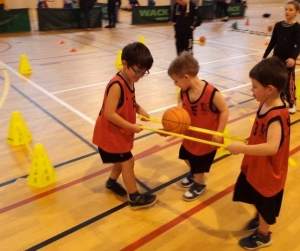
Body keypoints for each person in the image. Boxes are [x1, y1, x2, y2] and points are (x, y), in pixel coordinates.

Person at [226, 57, 290, 250]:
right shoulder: (265, 103)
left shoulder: (276, 115)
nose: (251, 90)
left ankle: (264, 235)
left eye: (254, 87)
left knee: (264, 199)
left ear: (269, 89)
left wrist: (241, 149)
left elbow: (271, 147)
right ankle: (259, 216)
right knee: (254, 193)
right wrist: (250, 140)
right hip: (257, 164)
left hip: (268, 170)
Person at [92, 42, 157, 210]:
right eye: (138, 71)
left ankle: (112, 183)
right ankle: (134, 198)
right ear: (125, 63)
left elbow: (130, 101)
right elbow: (109, 113)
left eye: (144, 72)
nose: (140, 76)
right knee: (128, 161)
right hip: (110, 134)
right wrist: (130, 126)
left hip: (118, 133)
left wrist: (139, 108)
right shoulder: (117, 85)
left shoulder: (130, 80)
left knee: (121, 160)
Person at [167, 52, 229, 201]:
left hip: (205, 139)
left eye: (176, 81)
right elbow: (179, 112)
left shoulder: (212, 93)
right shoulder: (183, 93)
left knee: (199, 163)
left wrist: (219, 133)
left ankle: (199, 184)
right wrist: (171, 126)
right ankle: (194, 173)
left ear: (186, 77)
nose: (175, 84)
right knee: (185, 157)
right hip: (190, 136)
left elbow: (224, 110)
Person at [263, 1, 300, 114]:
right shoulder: (278, 25)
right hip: (276, 58)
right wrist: (265, 57)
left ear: (297, 12)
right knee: (276, 80)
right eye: (286, 9)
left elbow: (299, 45)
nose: (287, 11)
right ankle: (280, 99)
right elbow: (272, 42)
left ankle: (292, 103)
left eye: (290, 10)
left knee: (289, 82)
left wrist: (293, 58)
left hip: (288, 60)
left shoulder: (297, 28)